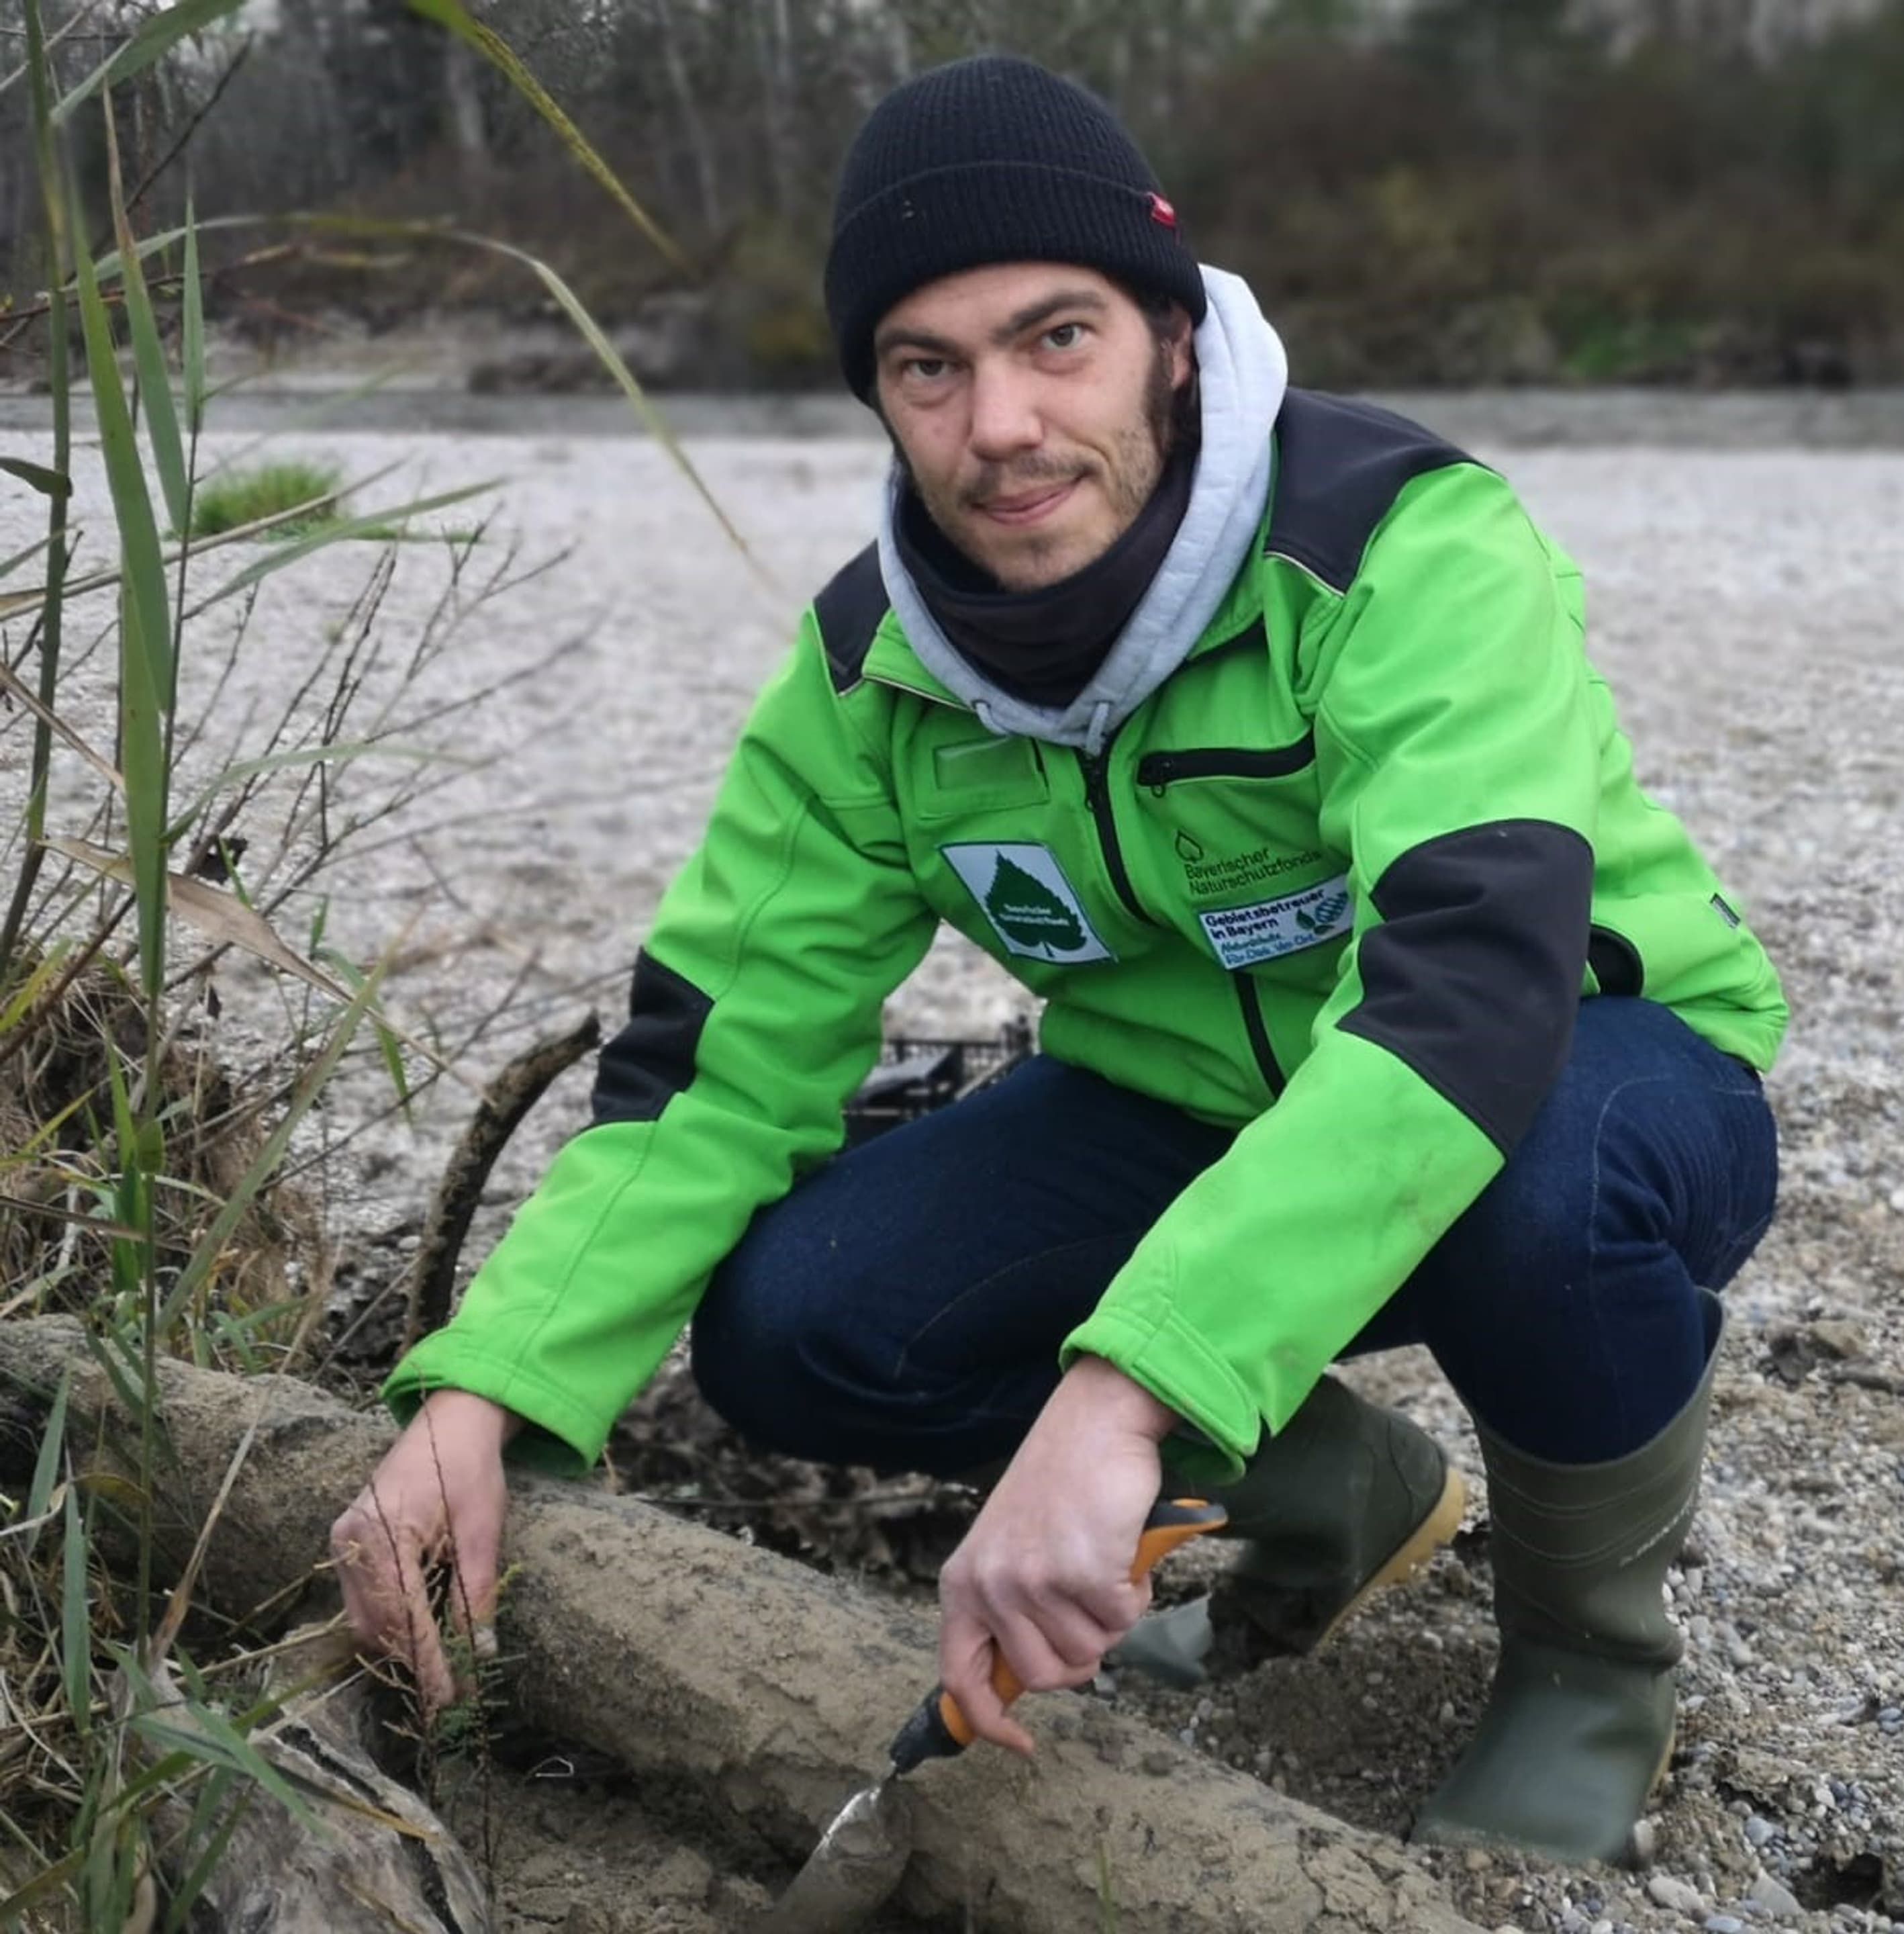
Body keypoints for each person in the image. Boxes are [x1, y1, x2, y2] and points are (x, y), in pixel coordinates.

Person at [332, 54, 1785, 1864]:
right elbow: (712, 1063)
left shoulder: (1403, 542)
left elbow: (1468, 990)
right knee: (798, 1322)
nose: (1000, 425)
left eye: (1057, 339)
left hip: (1577, 1060)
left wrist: (1125, 1392)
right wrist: (481, 1390)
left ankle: (1589, 1661)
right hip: (1176, 1104)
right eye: (927, 368)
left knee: (1541, 1189)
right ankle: (1334, 1496)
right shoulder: (868, 674)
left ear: (1170, 336)